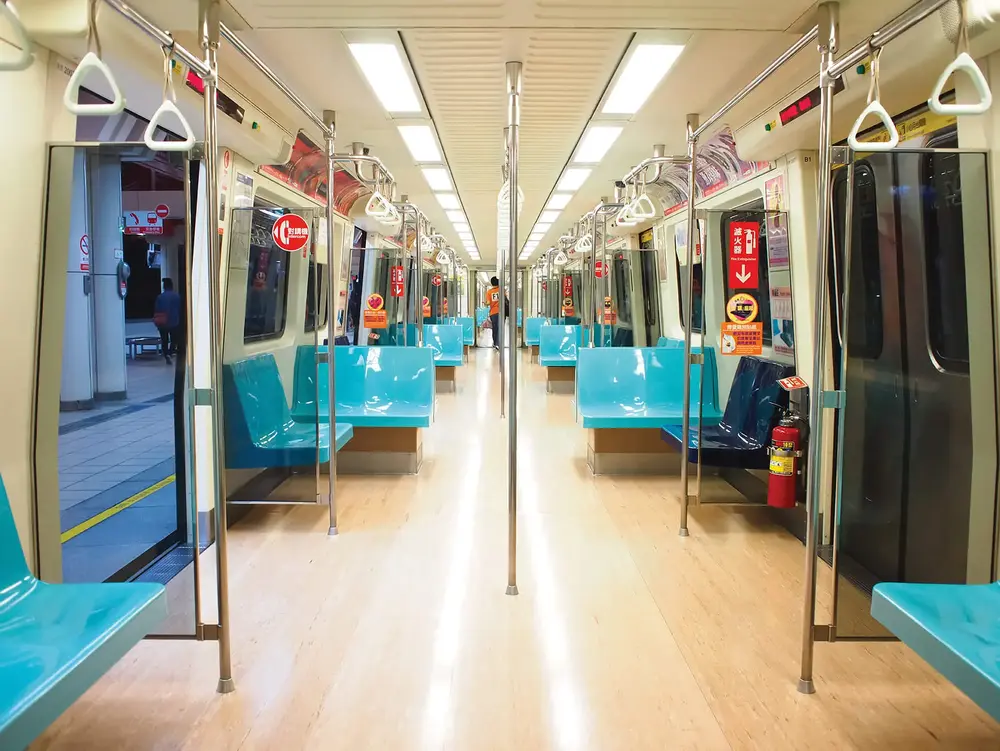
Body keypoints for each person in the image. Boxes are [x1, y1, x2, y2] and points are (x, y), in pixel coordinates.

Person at [153, 277, 181, 365]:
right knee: (174, 340)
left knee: (164, 340)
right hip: (174, 322)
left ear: (164, 286)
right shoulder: (177, 296)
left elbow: (157, 309)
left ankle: (166, 355)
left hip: (163, 322)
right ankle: (170, 352)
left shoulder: (160, 297)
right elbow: (180, 309)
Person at [485, 276, 509, 351]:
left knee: (495, 328)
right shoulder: (502, 290)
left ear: (492, 283)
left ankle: (495, 343)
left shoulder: (489, 292)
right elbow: (506, 299)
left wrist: (485, 303)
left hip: (493, 313)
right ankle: (499, 343)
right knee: (501, 327)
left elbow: (488, 303)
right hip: (502, 312)